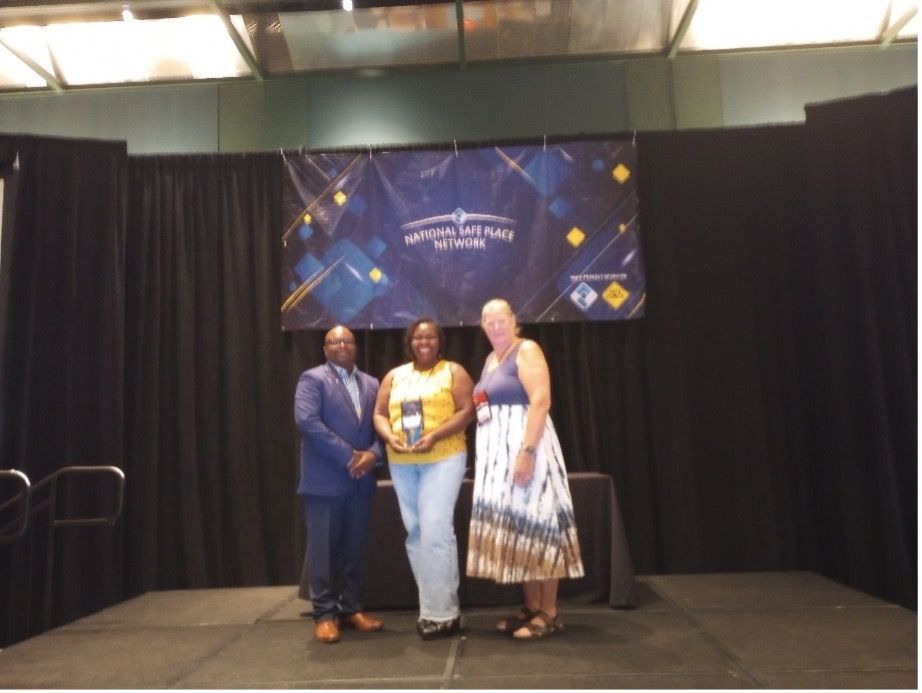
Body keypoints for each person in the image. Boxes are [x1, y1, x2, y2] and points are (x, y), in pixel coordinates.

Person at [466, 298, 584, 640]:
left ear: (514, 320)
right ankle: (531, 606)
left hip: (527, 449)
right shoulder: (491, 359)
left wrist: (527, 452)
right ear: (482, 326)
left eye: (501, 319)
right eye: (489, 320)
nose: (496, 325)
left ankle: (549, 611)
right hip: (498, 458)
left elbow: (541, 400)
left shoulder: (527, 349)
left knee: (539, 522)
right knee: (520, 527)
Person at [373, 317, 475, 640]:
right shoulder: (394, 376)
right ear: (410, 342)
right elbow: (378, 413)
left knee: (435, 529)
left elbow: (466, 411)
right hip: (402, 461)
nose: (424, 342)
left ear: (439, 341)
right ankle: (437, 607)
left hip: (443, 457)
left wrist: (434, 435)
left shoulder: (453, 371)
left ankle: (441, 613)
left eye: (430, 336)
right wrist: (389, 437)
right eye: (418, 337)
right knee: (416, 533)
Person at [294, 325, 385, 644]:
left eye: (347, 340)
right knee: (324, 550)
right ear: (325, 348)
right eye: (334, 341)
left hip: (361, 483)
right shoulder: (312, 379)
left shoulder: (372, 383)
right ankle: (325, 614)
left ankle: (351, 608)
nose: (341, 345)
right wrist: (350, 457)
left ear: (356, 346)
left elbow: (382, 426)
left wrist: (373, 455)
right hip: (325, 482)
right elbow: (307, 422)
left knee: (355, 549)